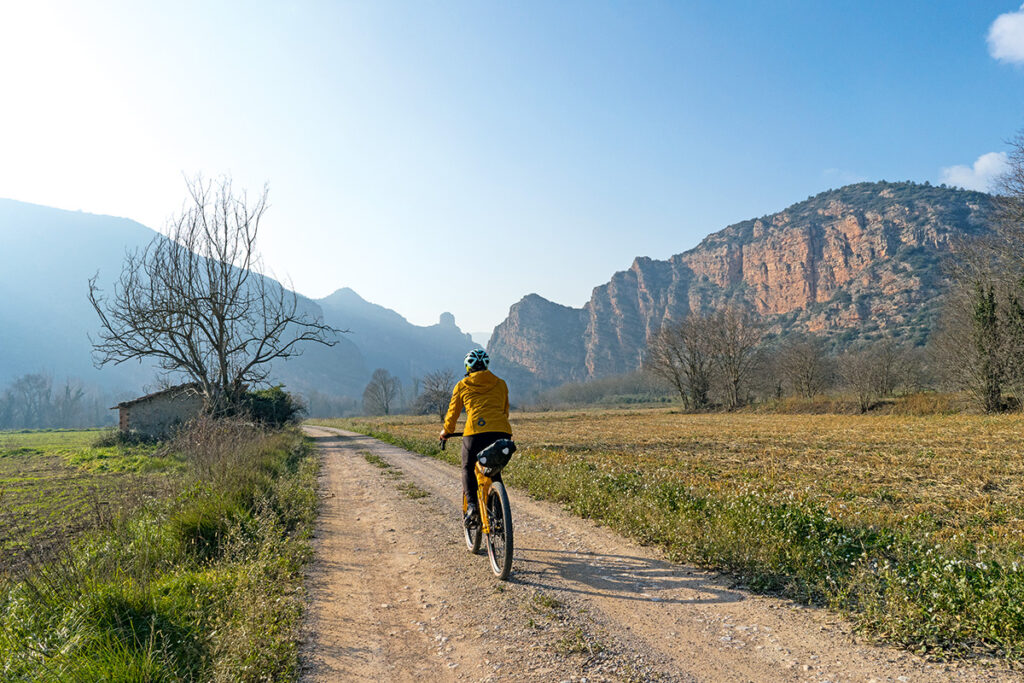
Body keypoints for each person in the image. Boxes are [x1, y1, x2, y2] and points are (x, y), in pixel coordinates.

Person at [440, 349, 512, 527]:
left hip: (475, 433)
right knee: (494, 470)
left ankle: (472, 506)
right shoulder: (501, 383)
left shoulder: (462, 385)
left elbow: (452, 414)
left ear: (467, 366)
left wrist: (446, 432)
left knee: (467, 466)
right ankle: (499, 516)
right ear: (486, 365)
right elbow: (505, 411)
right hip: (501, 432)